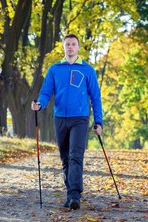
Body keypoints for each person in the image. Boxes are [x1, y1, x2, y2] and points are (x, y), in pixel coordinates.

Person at [31, 33, 103, 210]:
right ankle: (70, 192)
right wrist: (40, 104)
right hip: (60, 118)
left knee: (75, 156)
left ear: (78, 48)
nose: (70, 47)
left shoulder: (88, 70)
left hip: (80, 118)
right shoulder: (55, 69)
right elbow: (46, 92)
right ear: (64, 48)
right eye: (67, 44)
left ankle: (74, 195)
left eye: (73, 44)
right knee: (65, 159)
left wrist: (98, 121)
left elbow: (96, 98)